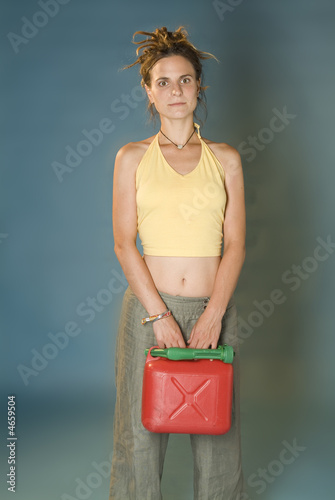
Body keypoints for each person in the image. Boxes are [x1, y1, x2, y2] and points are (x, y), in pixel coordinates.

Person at [109, 26, 246, 500]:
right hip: (150, 311)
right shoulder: (132, 158)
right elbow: (125, 243)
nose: (175, 90)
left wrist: (214, 313)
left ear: (198, 86)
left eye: (184, 80)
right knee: (139, 434)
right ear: (148, 90)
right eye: (163, 82)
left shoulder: (225, 159)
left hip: (214, 310)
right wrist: (159, 315)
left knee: (217, 432)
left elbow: (237, 245)